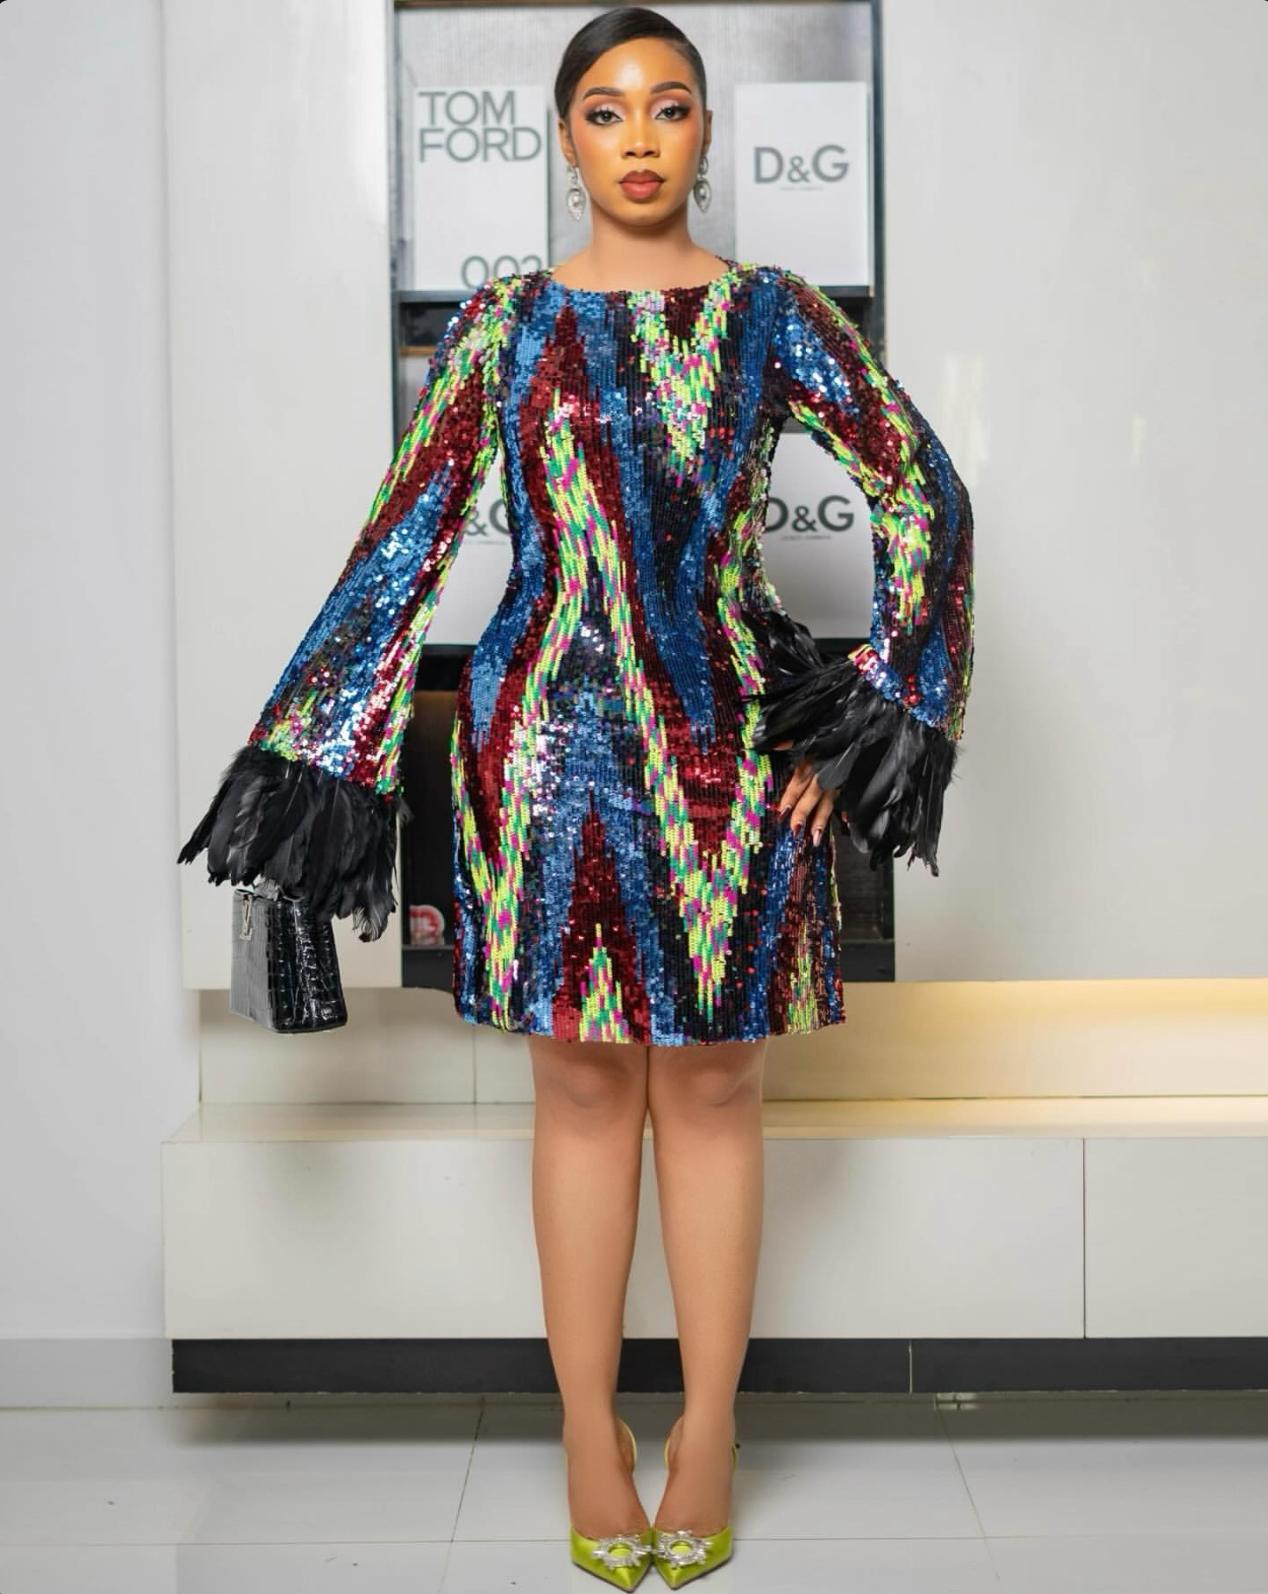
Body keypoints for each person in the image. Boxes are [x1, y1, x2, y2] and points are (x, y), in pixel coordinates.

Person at [178, 5, 974, 1585]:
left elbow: (922, 488)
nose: (640, 136)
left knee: (718, 1090)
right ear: (564, 140)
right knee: (585, 1094)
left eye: (670, 106)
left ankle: (712, 1428)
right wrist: (310, 760)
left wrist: (871, 718)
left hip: (732, 753)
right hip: (541, 758)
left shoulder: (771, 316)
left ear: (705, 135)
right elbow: (402, 547)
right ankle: (588, 1430)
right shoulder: (504, 329)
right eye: (607, 110)